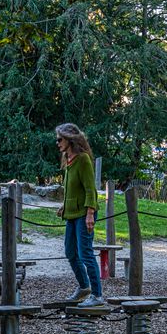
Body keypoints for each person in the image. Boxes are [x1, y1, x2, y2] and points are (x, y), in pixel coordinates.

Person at [54, 122, 103, 306]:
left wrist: (90, 213)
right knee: (70, 253)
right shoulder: (68, 160)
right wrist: (64, 206)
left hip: (84, 214)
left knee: (86, 254)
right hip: (72, 214)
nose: (57, 143)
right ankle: (84, 287)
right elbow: (72, 189)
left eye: (60, 139)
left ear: (70, 139)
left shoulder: (83, 159)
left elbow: (90, 190)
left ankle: (97, 295)